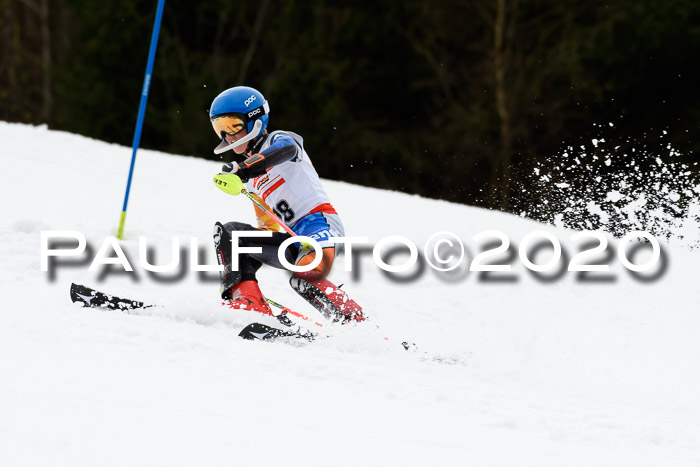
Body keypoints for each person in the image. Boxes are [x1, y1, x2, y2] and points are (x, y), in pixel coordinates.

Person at [209, 86, 364, 323]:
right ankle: (249, 306)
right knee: (231, 234)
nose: (227, 136)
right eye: (219, 128)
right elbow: (268, 227)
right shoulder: (251, 181)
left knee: (304, 276)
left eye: (233, 125)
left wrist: (243, 169)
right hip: (294, 240)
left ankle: (356, 324)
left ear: (255, 120)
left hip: (321, 227)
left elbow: (285, 150)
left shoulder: (280, 140)